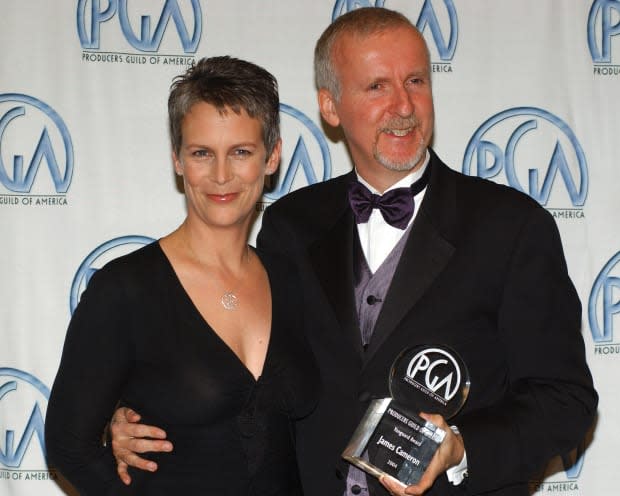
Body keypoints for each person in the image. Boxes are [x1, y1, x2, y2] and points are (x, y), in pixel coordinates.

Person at [108, 7, 598, 496]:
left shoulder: (511, 227)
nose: (404, 105)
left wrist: (461, 449)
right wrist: (135, 416)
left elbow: (565, 400)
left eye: (415, 81)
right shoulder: (290, 228)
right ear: (330, 107)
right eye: (377, 87)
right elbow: (254, 381)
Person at [44, 56, 319, 495]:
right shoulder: (126, 289)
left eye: (241, 152)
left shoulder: (291, 279)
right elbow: (67, 445)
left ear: (272, 157)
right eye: (202, 153)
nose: (222, 175)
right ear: (177, 160)